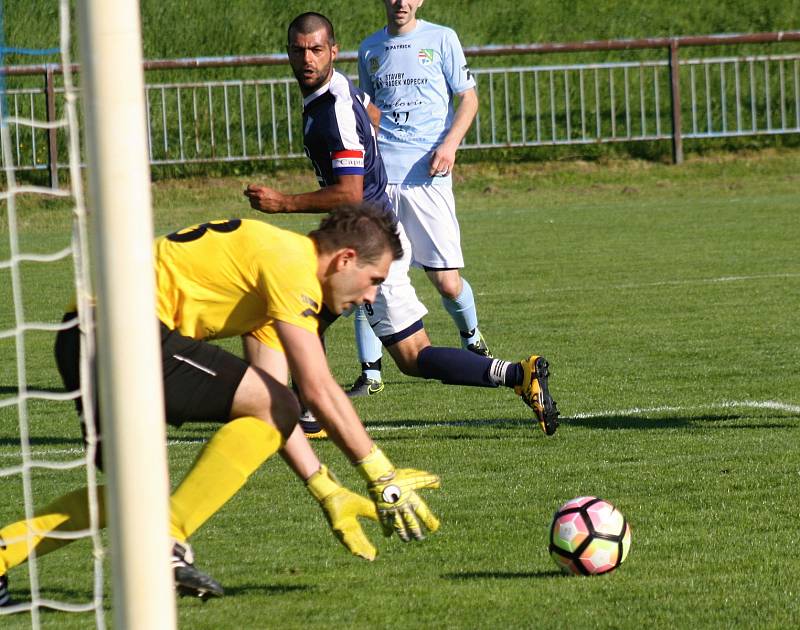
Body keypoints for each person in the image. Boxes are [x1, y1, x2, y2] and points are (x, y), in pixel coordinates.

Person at [0, 206, 440, 607]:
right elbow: (316, 387)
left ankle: (5, 553)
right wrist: (381, 475)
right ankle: (167, 542)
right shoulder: (290, 263)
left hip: (81, 336)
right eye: (375, 280)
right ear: (345, 259)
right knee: (155, 509)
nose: (370, 297)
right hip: (123, 329)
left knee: (135, 499)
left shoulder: (277, 287)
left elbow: (272, 408)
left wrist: (326, 489)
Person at [244, 13, 559, 438]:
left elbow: (350, 192)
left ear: (333, 52)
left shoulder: (333, 108)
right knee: (301, 313)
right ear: (287, 52)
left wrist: (282, 202)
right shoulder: (335, 91)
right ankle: (308, 411)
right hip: (361, 234)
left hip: (368, 242)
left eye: (317, 49)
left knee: (412, 356)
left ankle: (516, 375)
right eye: (299, 50)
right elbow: (371, 115)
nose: (307, 59)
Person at [352, 0, 488, 396]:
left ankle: (472, 336)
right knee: (372, 274)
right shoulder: (369, 48)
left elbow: (469, 98)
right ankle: (370, 374)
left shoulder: (442, 39)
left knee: (446, 282)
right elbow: (369, 109)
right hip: (381, 180)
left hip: (428, 177)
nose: (401, 3)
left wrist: (450, 144)